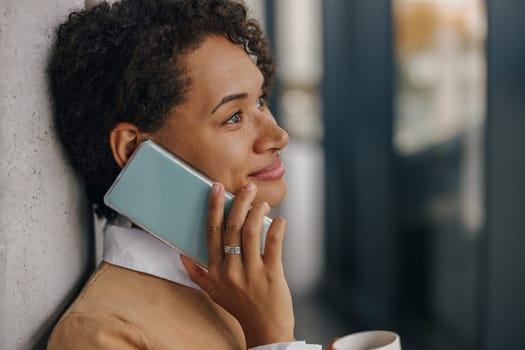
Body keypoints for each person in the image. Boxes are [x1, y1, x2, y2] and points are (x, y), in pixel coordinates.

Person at [47, 0, 400, 349]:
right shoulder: (101, 333)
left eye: (260, 101)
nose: (278, 136)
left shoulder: (238, 281)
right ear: (131, 149)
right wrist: (273, 338)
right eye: (233, 117)